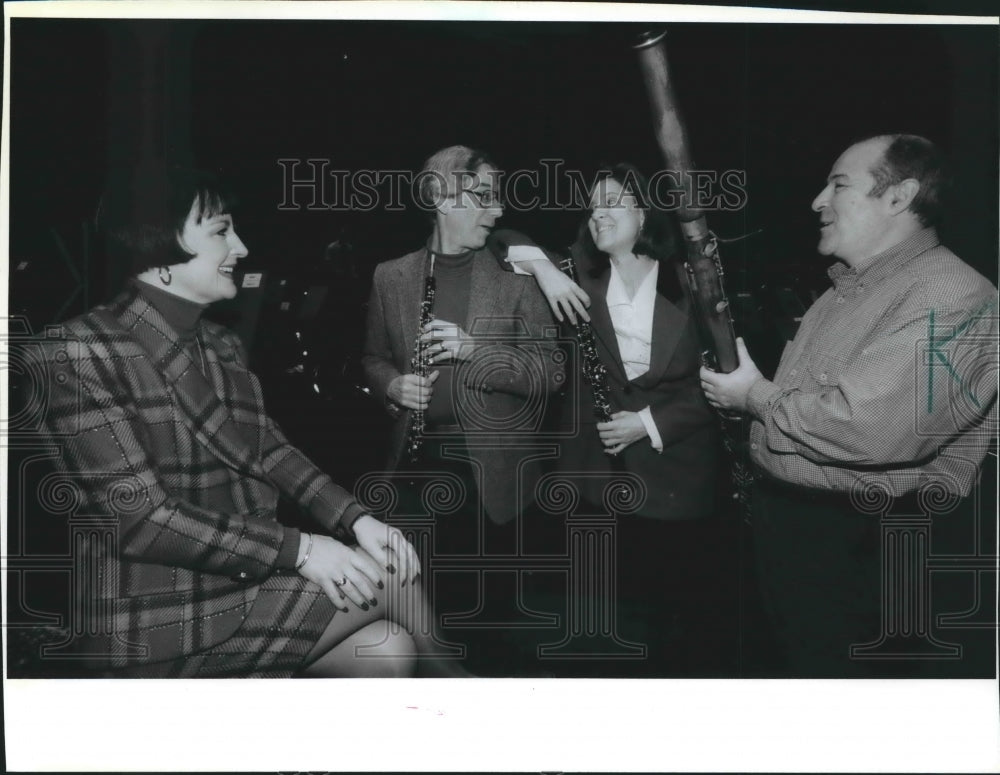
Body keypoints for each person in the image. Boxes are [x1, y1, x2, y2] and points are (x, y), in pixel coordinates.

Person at [38, 164, 456, 678]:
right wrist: (299, 549)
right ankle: (468, 700)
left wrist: (354, 519)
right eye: (221, 231)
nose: (241, 246)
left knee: (387, 651)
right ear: (158, 249)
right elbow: (140, 520)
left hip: (231, 583)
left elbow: (271, 451)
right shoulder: (77, 350)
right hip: (151, 615)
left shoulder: (221, 343)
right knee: (391, 576)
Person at [700, 134, 998, 676]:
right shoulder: (846, 289)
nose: (818, 201)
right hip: (807, 536)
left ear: (898, 197)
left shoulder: (950, 295)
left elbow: (867, 428)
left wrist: (753, 395)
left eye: (838, 185)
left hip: (862, 547)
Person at [507, 163, 728, 676]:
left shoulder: (692, 281)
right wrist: (543, 268)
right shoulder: (575, 276)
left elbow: (722, 381)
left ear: (645, 212)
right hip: (594, 479)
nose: (596, 213)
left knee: (673, 624)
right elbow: (503, 238)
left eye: (611, 201)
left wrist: (649, 423)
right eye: (591, 206)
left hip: (677, 476)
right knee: (602, 622)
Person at [361, 145, 564, 670]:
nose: (497, 211)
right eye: (484, 198)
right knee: (416, 617)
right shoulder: (390, 276)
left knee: (489, 628)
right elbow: (372, 357)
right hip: (413, 470)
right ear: (441, 197)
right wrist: (391, 386)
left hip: (492, 477)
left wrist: (477, 351)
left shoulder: (517, 277)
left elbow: (551, 372)